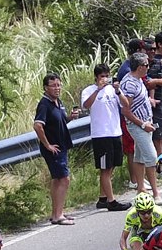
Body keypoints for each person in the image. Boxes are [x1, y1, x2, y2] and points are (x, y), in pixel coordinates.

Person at [82, 63, 130, 211]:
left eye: (107, 76)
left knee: (112, 166)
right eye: (102, 76)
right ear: (96, 77)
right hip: (101, 134)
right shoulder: (89, 90)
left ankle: (103, 198)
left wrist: (118, 90)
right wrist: (98, 89)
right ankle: (111, 201)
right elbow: (86, 105)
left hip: (115, 132)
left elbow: (126, 104)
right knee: (105, 168)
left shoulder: (113, 90)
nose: (105, 79)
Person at [33, 73, 80, 226]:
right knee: (64, 179)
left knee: (57, 180)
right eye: (53, 86)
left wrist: (70, 117)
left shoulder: (57, 102)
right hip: (54, 148)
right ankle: (58, 216)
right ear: (45, 88)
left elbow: (60, 120)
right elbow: (38, 126)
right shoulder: (44, 104)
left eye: (59, 85)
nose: (57, 88)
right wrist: (47, 145)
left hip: (62, 145)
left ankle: (56, 213)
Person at [118, 53, 162, 203]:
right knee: (151, 157)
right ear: (139, 67)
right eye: (146, 65)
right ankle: (156, 193)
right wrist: (142, 124)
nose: (148, 67)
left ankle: (140, 188)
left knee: (139, 156)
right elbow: (126, 110)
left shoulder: (138, 80)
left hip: (146, 122)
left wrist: (148, 101)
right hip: (138, 125)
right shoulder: (129, 83)